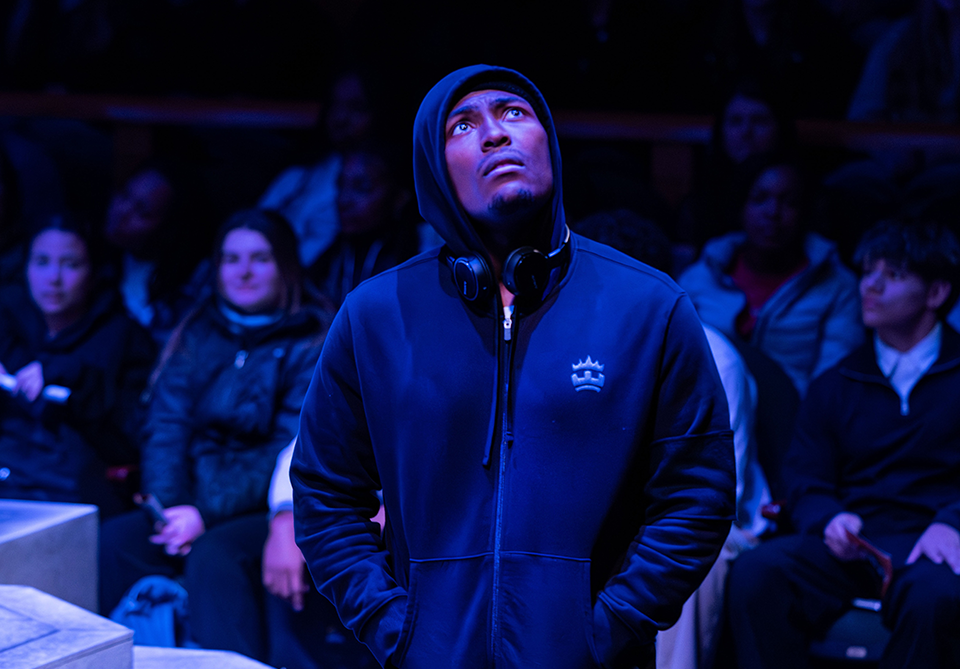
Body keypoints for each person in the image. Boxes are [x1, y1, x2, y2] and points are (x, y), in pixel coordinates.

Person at [291, 64, 736, 669]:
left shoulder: (648, 307)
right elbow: (325, 491)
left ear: (547, 141)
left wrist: (608, 627)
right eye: (463, 124)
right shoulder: (375, 314)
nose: (494, 134)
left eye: (514, 113)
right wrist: (393, 626)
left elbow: (697, 494)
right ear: (432, 168)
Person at [727, 221, 960, 669]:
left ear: (936, 293)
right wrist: (828, 517)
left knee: (935, 597)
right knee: (759, 574)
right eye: (868, 271)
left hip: (936, 540)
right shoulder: (837, 382)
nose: (870, 286)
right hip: (857, 540)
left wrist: (952, 523)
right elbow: (805, 475)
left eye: (892, 276)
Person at [98, 209, 330, 618]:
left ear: (286, 266)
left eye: (260, 258)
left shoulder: (314, 340)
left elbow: (289, 445)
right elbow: (166, 425)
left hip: (268, 506)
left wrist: (205, 513)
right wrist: (170, 507)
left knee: (216, 557)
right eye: (231, 259)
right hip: (185, 502)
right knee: (114, 541)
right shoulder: (196, 331)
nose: (244, 272)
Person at [0, 214, 156, 516]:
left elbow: (134, 437)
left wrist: (73, 378)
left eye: (70, 264)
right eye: (41, 262)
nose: (53, 278)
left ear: (94, 272)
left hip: (73, 492)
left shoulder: (122, 339)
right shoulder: (8, 322)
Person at [679, 153, 864, 395]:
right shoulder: (700, 278)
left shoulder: (838, 287)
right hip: (709, 419)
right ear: (741, 206)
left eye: (789, 202)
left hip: (794, 422)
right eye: (759, 199)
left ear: (806, 211)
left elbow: (832, 387)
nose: (772, 212)